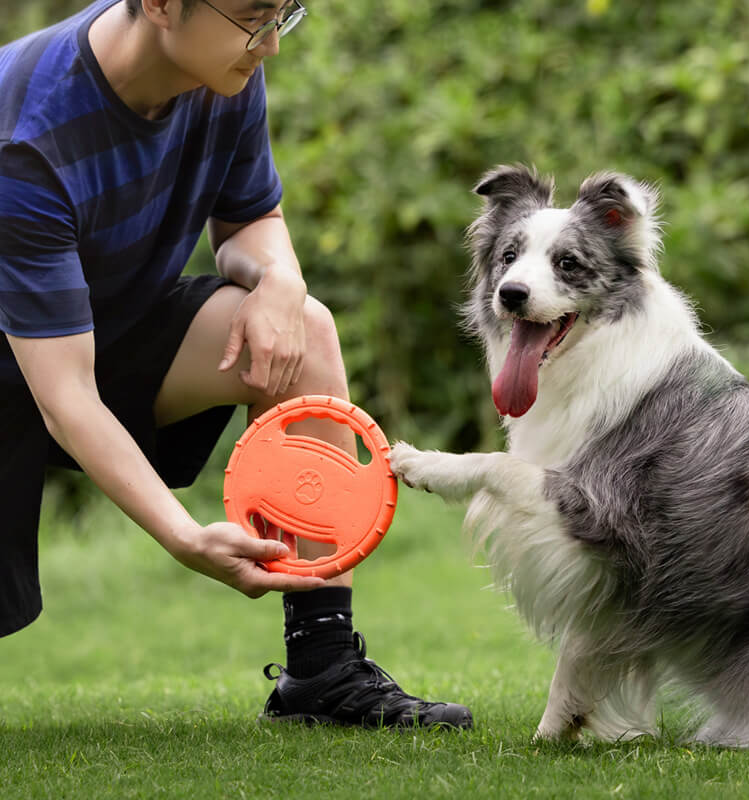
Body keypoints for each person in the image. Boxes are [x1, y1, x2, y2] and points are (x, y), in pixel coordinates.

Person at [0, 0, 472, 729]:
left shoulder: (221, 67)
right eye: (257, 16)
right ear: (159, 5)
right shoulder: (27, 139)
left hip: (104, 331)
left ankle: (323, 670)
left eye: (284, 14)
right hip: (26, 367)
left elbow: (251, 219)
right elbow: (65, 396)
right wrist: (184, 536)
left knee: (304, 329)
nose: (272, 45)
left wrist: (282, 281)